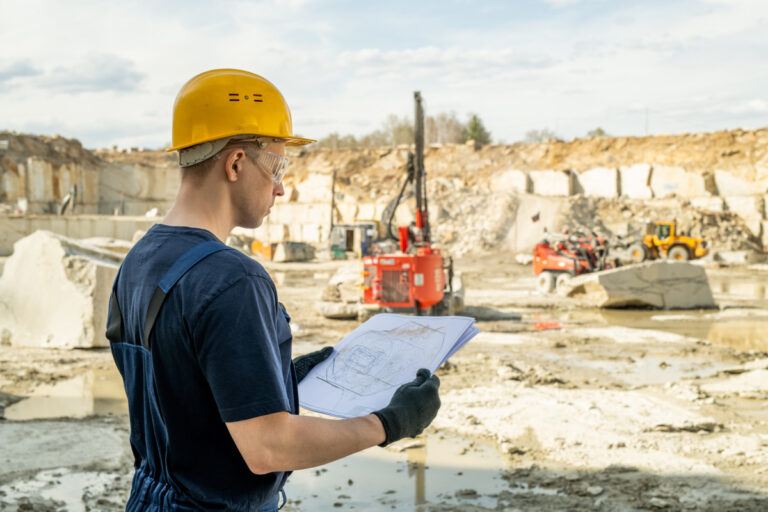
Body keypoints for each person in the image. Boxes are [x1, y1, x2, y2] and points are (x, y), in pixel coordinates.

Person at [105, 68, 442, 511]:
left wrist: (274, 378)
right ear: (236, 163)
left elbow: (178, 388)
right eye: (278, 166)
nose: (281, 187)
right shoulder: (232, 279)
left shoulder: (140, 260)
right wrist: (388, 423)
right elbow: (269, 448)